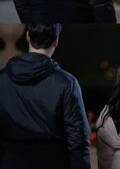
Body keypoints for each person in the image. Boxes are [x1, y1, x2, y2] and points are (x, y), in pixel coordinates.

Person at [0, 23, 91, 169]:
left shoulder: (2, 79)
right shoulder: (67, 83)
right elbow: (78, 141)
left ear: (28, 36)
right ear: (56, 40)